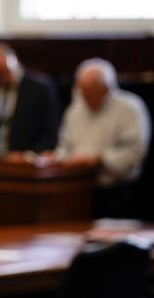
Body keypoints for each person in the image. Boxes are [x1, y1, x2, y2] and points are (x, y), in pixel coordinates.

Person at [45, 58, 151, 218]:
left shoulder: (130, 107)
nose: (85, 98)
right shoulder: (76, 109)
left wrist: (99, 159)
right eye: (82, 92)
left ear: (107, 89)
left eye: (91, 93)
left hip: (117, 192)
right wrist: (58, 158)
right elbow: (64, 146)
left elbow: (135, 153)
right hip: (78, 189)